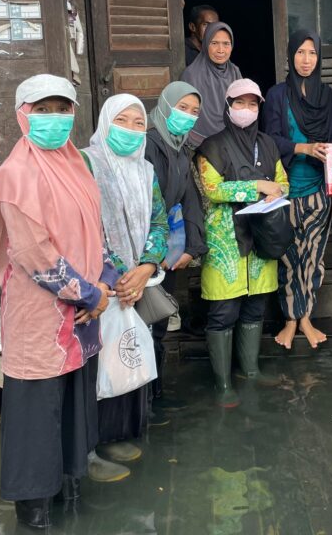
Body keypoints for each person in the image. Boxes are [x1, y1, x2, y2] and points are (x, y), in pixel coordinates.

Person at [0, 74, 127, 530]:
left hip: (82, 310)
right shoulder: (16, 176)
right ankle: (33, 507)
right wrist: (91, 293)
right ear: (22, 114)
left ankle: (69, 483)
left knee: (73, 403)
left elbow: (96, 233)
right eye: (42, 110)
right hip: (42, 313)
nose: (54, 119)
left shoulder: (76, 164)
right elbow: (33, 255)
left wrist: (104, 281)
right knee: (36, 410)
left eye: (63, 109)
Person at [81, 94, 169, 475]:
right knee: (98, 363)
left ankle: (119, 436)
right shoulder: (85, 163)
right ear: (104, 122)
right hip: (100, 285)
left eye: (139, 123)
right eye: (123, 120)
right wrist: (118, 276)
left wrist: (147, 266)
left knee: (129, 356)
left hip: (137, 281)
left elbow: (160, 222)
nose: (132, 129)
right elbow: (85, 228)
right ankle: (92, 444)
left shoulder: (146, 170)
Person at [197, 79, 289, 408]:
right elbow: (213, 189)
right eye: (239, 103)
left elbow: (282, 183)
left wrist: (272, 189)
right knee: (223, 312)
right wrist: (256, 187)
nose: (246, 110)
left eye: (252, 104)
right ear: (227, 107)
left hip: (261, 235)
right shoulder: (211, 146)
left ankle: (250, 370)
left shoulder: (267, 144)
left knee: (254, 308)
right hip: (226, 239)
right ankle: (223, 384)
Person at [262, 30, 332, 349]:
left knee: (313, 258)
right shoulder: (278, 94)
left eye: (312, 53)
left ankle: (306, 317)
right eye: (300, 53)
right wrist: (302, 148)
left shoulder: (328, 95)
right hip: (286, 191)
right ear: (290, 56)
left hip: (318, 191)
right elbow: (270, 140)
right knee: (289, 258)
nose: (306, 60)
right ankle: (290, 320)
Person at [144, 81, 208, 414]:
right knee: (142, 326)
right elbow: (146, 205)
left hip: (165, 254)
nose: (188, 116)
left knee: (157, 323)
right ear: (166, 105)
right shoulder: (150, 144)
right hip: (142, 254)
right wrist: (151, 256)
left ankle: (155, 396)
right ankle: (142, 401)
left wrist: (192, 247)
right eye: (182, 108)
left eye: (194, 111)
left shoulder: (180, 149)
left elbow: (190, 201)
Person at [182, 21, 243, 149]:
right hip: (199, 145)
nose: (221, 50)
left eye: (226, 44)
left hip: (232, 142)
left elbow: (242, 106)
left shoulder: (235, 72)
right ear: (205, 45)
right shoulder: (192, 75)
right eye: (214, 43)